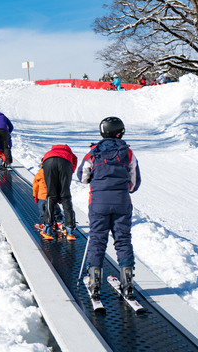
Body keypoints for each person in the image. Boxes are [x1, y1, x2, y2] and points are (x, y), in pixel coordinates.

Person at [78, 117, 142, 300]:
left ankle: (94, 282)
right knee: (123, 240)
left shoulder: (94, 151)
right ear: (120, 132)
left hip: (98, 202)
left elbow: (82, 176)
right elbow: (134, 183)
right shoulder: (128, 153)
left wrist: (96, 181)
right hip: (122, 202)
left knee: (97, 240)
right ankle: (128, 283)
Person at [38, 144, 78, 241]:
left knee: (51, 196)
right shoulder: (70, 153)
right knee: (65, 196)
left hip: (49, 162)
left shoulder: (49, 152)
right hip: (66, 163)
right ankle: (70, 231)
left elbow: (43, 165)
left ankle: (47, 229)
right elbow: (73, 166)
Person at [32, 167, 64, 233]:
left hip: (42, 196)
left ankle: (44, 223)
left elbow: (35, 186)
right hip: (52, 196)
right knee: (55, 209)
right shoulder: (55, 174)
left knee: (42, 210)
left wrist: (35, 195)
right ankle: (59, 222)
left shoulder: (39, 174)